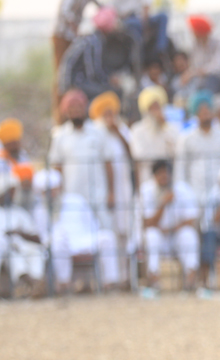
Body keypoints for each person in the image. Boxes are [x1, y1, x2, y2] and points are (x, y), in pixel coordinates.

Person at [49, 90, 116, 232]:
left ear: (85, 107)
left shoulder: (99, 132)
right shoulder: (60, 136)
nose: (75, 111)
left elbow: (108, 163)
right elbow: (57, 167)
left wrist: (111, 193)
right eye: (71, 108)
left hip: (99, 194)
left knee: (104, 233)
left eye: (78, 107)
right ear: (66, 111)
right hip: (72, 196)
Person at [89, 91, 134, 279]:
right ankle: (109, 277)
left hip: (124, 188)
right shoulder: (95, 131)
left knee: (125, 231)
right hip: (105, 189)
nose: (109, 116)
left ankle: (125, 275)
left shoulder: (122, 129)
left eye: (111, 112)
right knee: (109, 232)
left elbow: (133, 154)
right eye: (105, 113)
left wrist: (117, 132)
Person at [57, 7, 137, 105]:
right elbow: (92, 73)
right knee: (113, 92)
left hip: (78, 82)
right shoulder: (94, 41)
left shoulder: (94, 38)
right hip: (75, 84)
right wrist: (108, 81)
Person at [140, 159, 200, 291]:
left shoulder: (183, 189)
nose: (164, 176)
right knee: (151, 236)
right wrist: (163, 204)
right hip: (159, 236)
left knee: (189, 234)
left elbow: (191, 220)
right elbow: (147, 223)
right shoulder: (146, 190)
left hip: (177, 234)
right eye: (160, 173)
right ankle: (154, 282)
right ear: (154, 176)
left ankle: (190, 281)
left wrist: (172, 229)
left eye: (166, 173)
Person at [177, 92, 220, 208]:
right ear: (196, 113)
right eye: (202, 110)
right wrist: (184, 192)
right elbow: (181, 169)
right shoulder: (187, 138)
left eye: (208, 109)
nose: (205, 113)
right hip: (194, 191)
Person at [0, 173, 48, 298]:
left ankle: (34, 286)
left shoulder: (20, 212)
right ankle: (35, 284)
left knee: (37, 252)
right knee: (13, 254)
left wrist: (19, 233)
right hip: (7, 251)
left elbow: (37, 237)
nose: (12, 195)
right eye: (9, 192)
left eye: (13, 192)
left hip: (25, 248)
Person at [129, 85, 179, 184]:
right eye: (152, 107)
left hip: (167, 178)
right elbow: (139, 155)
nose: (155, 111)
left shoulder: (170, 128)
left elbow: (176, 152)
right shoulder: (137, 130)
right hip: (147, 179)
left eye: (157, 106)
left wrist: (164, 128)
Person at [184, 15, 220, 95]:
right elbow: (194, 66)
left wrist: (199, 72)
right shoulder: (196, 47)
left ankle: (207, 101)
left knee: (211, 79)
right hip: (204, 82)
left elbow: (218, 67)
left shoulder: (219, 44)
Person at [0, 120, 35, 211]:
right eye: (12, 143)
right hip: (8, 203)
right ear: (5, 144)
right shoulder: (2, 159)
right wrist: (19, 183)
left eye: (17, 142)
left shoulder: (23, 156)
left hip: (27, 199)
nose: (15, 146)